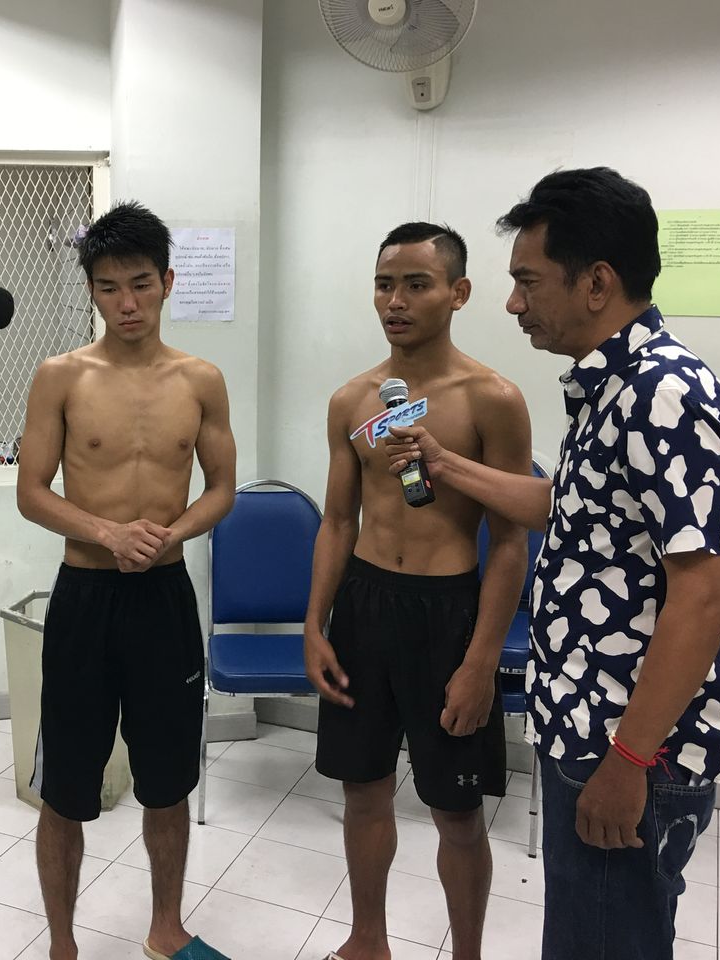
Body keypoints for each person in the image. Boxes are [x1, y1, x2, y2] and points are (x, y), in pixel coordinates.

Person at [383, 168, 720, 960]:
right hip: (587, 725)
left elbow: (707, 595)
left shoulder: (662, 395)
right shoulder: (611, 389)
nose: (514, 304)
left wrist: (629, 760)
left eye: (528, 281)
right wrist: (445, 462)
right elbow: (572, 509)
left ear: (597, 283)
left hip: (628, 742)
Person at [303, 222, 533, 960]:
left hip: (448, 613)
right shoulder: (352, 400)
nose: (395, 301)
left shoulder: (492, 398)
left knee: (456, 811)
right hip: (364, 606)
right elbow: (338, 521)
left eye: (415, 284)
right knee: (362, 789)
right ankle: (367, 939)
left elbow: (509, 542)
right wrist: (315, 625)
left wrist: (481, 662)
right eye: (384, 284)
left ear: (458, 293)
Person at [17, 201, 236, 960]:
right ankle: (63, 945)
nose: (128, 303)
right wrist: (107, 532)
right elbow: (32, 491)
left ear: (168, 281)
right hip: (85, 598)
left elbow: (221, 489)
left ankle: (165, 928)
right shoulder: (62, 377)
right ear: (92, 290)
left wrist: (171, 534)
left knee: (168, 781)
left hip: (164, 601)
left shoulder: (201, 380)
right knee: (65, 788)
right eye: (109, 288)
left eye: (141, 283)